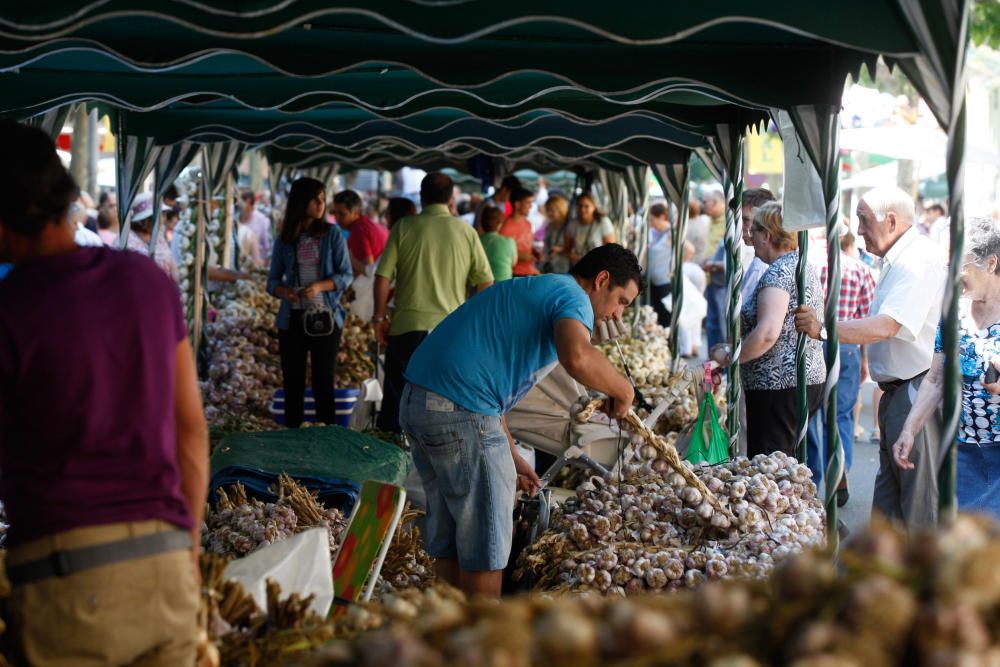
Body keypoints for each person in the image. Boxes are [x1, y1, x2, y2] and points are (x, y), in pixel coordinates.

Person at [0, 120, 207, 665]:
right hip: (166, 565)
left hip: (68, 582)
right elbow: (190, 431)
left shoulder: (12, 306)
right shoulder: (148, 284)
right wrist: (186, 552)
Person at [400, 244, 643, 597]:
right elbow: (576, 356)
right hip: (460, 412)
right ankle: (480, 647)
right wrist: (624, 390)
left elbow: (490, 396)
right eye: (621, 301)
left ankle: (446, 634)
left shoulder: (535, 287)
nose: (616, 315)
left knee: (451, 539)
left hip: (421, 405)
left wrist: (512, 457)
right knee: (485, 549)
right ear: (601, 280)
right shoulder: (573, 295)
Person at [795, 186, 947, 528]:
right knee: (890, 509)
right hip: (900, 392)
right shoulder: (901, 258)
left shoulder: (918, 259)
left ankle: (920, 580)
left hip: (915, 391)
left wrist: (823, 329)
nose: (859, 230)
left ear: (890, 221)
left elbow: (887, 325)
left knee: (917, 506)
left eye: (863, 220)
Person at [892, 217, 1000, 518]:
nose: (952, 274)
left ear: (990, 263)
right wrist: (910, 429)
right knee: (965, 544)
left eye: (960, 265)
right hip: (965, 452)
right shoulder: (954, 313)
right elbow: (936, 379)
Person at [374, 172, 494, 433]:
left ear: (422, 196)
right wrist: (472, 320)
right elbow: (486, 282)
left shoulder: (403, 227)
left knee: (396, 399)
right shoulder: (465, 231)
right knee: (444, 403)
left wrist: (379, 318)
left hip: (407, 327)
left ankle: (389, 459)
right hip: (449, 332)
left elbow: (382, 278)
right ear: (451, 198)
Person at [740, 202, 826, 457]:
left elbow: (767, 334)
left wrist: (731, 359)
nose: (749, 236)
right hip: (797, 381)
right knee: (786, 463)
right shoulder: (800, 265)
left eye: (754, 230)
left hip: (778, 387)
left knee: (771, 467)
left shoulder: (778, 273)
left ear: (767, 235)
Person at [267, 177, 353, 428]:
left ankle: (327, 440)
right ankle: (293, 440)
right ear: (301, 201)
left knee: (323, 384)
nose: (321, 204)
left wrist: (319, 286)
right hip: (291, 319)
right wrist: (286, 292)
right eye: (315, 199)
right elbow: (271, 281)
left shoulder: (332, 233)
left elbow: (345, 275)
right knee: (292, 383)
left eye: (323, 199)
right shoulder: (285, 239)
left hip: (324, 319)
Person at [805, 224, 877, 504]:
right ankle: (840, 469)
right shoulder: (858, 268)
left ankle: (810, 477)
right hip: (846, 344)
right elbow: (867, 317)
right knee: (841, 414)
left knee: (810, 414)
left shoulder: (805, 264)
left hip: (810, 344)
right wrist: (865, 359)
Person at [703, 188, 775, 352]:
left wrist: (730, 356)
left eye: (746, 220)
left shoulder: (769, 267)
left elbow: (766, 334)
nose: (740, 227)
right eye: (737, 220)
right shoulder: (759, 260)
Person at [333, 189, 388, 277]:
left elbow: (369, 270)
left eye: (342, 214)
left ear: (356, 213)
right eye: (335, 213)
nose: (337, 218)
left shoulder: (359, 231)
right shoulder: (365, 224)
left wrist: (348, 257)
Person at [125, 193, 179, 282]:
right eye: (160, 215)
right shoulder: (126, 241)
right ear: (144, 220)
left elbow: (172, 265)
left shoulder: (158, 237)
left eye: (163, 214)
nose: (163, 219)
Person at [565, 192, 615, 265]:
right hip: (579, 266)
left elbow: (612, 250)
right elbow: (567, 249)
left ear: (594, 206)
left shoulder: (603, 222)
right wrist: (572, 257)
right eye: (580, 206)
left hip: (598, 265)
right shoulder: (572, 224)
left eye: (586, 206)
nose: (582, 209)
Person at [499, 186, 539, 277]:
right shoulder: (505, 227)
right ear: (517, 204)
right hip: (514, 274)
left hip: (530, 271)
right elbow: (503, 253)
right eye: (528, 202)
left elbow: (527, 246)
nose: (531, 206)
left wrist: (535, 252)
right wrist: (522, 256)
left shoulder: (528, 223)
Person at [647, 202, 673, 328]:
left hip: (665, 282)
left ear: (662, 217)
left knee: (665, 316)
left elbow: (689, 249)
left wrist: (674, 268)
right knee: (657, 315)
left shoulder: (671, 233)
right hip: (655, 282)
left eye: (652, 219)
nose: (651, 222)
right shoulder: (656, 233)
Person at [479, 206, 517, 282]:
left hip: (482, 284)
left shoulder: (477, 240)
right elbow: (513, 263)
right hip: (504, 284)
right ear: (499, 224)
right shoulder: (509, 241)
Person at [238, 190, 271, 268]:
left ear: (248, 201)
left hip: (255, 266)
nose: (238, 204)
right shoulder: (237, 218)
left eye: (240, 201)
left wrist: (262, 268)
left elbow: (267, 247)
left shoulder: (262, 220)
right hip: (240, 264)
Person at [540, 194, 570, 274]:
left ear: (561, 209)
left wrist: (560, 250)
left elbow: (574, 248)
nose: (549, 213)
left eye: (552, 210)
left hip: (565, 267)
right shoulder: (549, 226)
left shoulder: (569, 226)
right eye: (548, 210)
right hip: (550, 266)